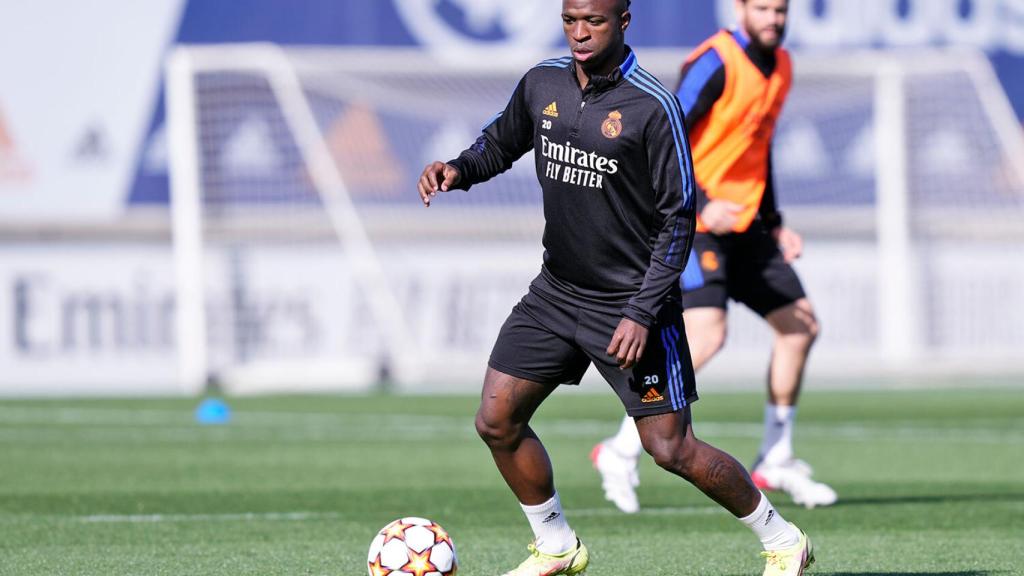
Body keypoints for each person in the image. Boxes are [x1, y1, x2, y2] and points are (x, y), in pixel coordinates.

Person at [417, 1, 814, 575]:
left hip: (629, 305)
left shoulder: (654, 107)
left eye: (594, 21)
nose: (580, 33)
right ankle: (556, 546)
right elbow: (500, 144)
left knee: (670, 449)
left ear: (623, 22)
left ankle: (783, 541)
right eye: (570, 20)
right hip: (555, 294)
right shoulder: (542, 82)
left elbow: (679, 219)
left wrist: (642, 312)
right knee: (496, 420)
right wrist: (457, 170)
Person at [591, 0, 838, 515]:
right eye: (764, 8)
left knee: (800, 326)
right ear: (741, 8)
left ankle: (777, 455)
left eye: (781, 9)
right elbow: (662, 133)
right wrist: (702, 201)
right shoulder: (715, 60)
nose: (774, 18)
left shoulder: (782, 65)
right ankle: (620, 449)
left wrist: (775, 222)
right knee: (708, 334)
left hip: (745, 225)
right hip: (693, 221)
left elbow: (757, 147)